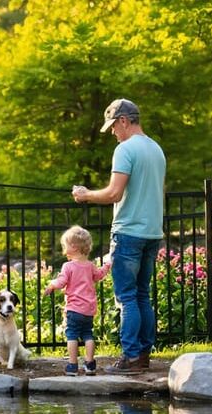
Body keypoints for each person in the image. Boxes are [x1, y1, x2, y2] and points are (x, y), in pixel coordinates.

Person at [72, 98, 165, 374]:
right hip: (152, 233)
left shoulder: (126, 149)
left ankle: (130, 358)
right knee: (142, 295)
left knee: (126, 298)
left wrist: (86, 195)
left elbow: (114, 193)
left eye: (113, 126)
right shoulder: (156, 149)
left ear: (124, 120)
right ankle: (144, 356)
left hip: (128, 232)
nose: (113, 132)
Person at [44, 225, 110, 376]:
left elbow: (61, 281)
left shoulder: (68, 266)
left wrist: (51, 285)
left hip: (74, 309)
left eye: (65, 246)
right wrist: (107, 264)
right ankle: (90, 364)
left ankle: (73, 366)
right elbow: (99, 275)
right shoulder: (90, 266)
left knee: (72, 335)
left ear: (73, 247)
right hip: (88, 309)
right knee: (88, 334)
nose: (64, 249)